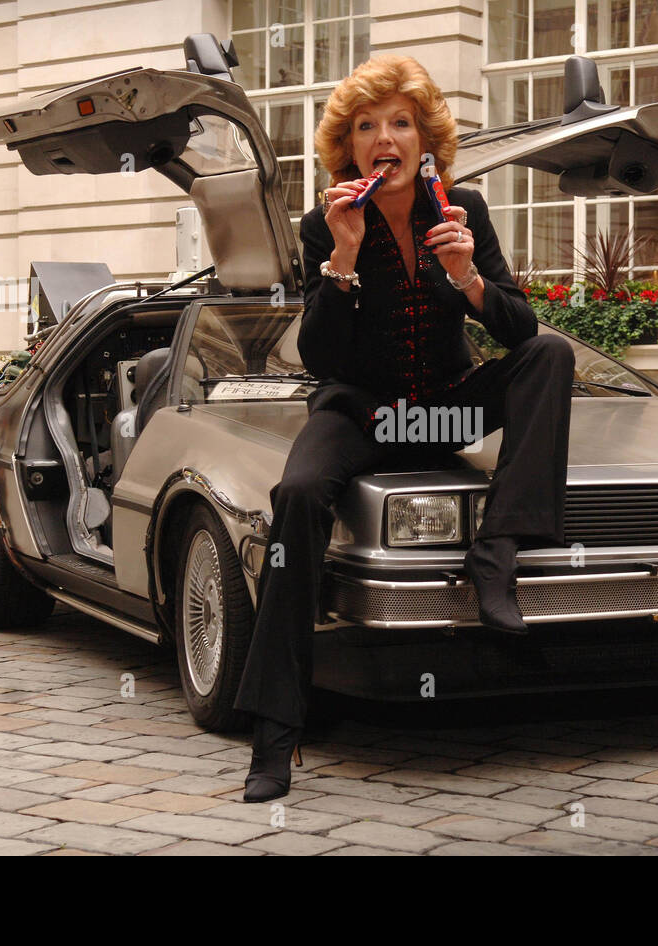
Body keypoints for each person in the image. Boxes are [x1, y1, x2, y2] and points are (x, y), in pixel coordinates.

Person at [232, 54, 575, 802]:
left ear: (424, 141)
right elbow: (320, 356)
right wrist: (344, 257)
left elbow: (521, 330)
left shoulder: (464, 210)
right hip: (363, 414)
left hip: (445, 406)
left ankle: (498, 553)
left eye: (399, 123)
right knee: (295, 495)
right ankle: (275, 730)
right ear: (349, 148)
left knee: (550, 355)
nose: (384, 137)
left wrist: (469, 279)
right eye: (366, 127)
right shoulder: (324, 224)